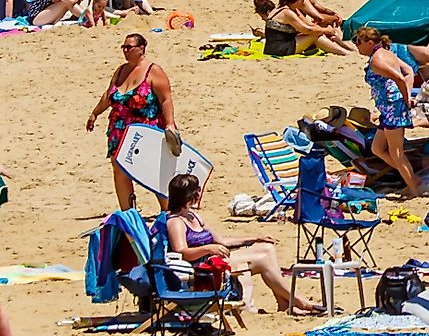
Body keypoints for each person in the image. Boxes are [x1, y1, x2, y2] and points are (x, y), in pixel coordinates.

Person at [165, 172, 315, 316]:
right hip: (203, 266)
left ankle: (285, 302)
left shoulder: (194, 216)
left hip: (215, 259)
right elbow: (182, 252)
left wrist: (254, 238)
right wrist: (207, 249)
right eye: (197, 191)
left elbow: (223, 241)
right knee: (263, 259)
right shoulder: (176, 221)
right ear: (189, 195)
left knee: (267, 248)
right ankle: (295, 300)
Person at [85, 34, 172, 210]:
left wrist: (170, 123)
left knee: (151, 169)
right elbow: (109, 96)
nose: (125, 51)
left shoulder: (154, 71)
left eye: (129, 47)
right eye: (123, 47)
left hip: (145, 128)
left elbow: (166, 99)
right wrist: (95, 113)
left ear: (142, 48)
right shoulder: (121, 70)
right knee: (119, 169)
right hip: (119, 127)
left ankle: (167, 209)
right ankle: (128, 211)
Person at [355, 27, 421, 195]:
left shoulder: (377, 60)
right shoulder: (386, 52)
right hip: (390, 108)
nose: (356, 46)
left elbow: (399, 77)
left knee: (396, 152)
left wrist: (406, 98)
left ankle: (414, 187)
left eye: (358, 42)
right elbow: (409, 71)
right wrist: (406, 93)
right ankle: (413, 178)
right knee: (378, 148)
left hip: (393, 107)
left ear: (369, 42)